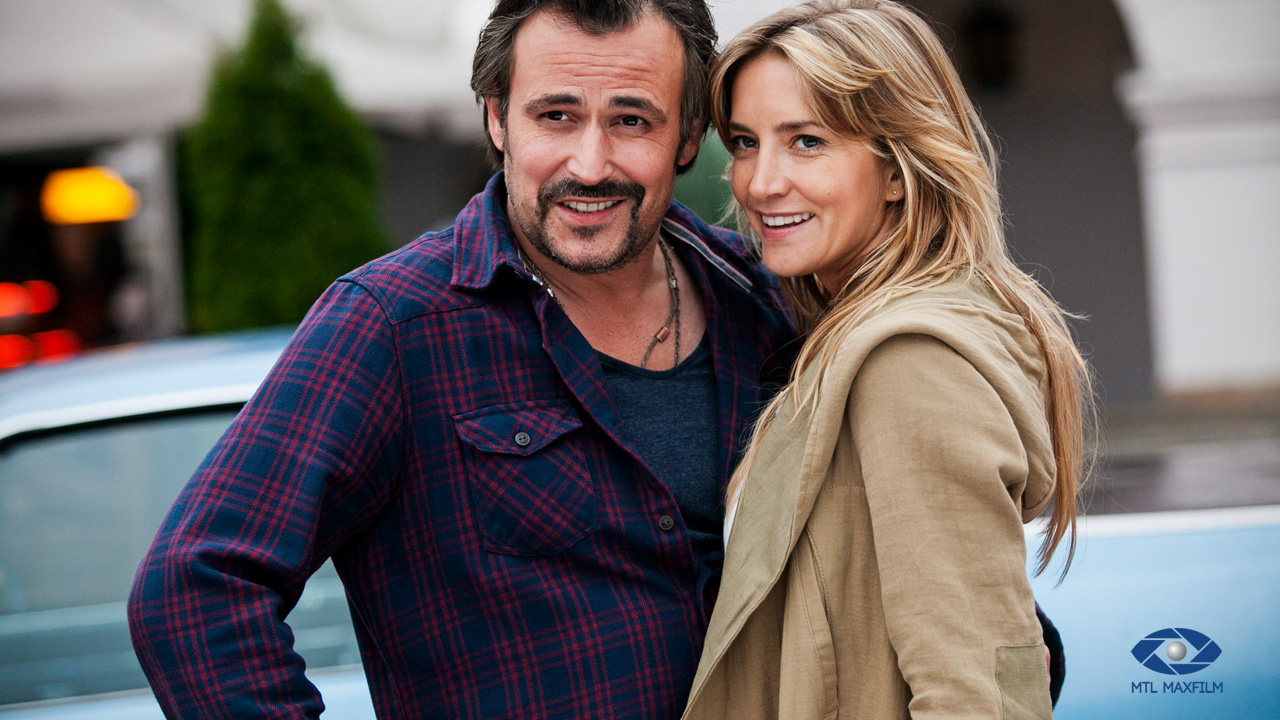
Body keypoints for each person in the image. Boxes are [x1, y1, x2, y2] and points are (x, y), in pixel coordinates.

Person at [127, 1, 795, 718]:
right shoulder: (392, 323)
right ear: (497, 118)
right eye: (556, 116)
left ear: (689, 135)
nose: (590, 164)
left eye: (631, 120)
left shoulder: (761, 300)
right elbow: (193, 591)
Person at [681, 1, 1090, 718]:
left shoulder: (910, 360)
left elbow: (974, 691)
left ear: (898, 169)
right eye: (745, 142)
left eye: (806, 141)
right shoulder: (854, 333)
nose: (760, 182)